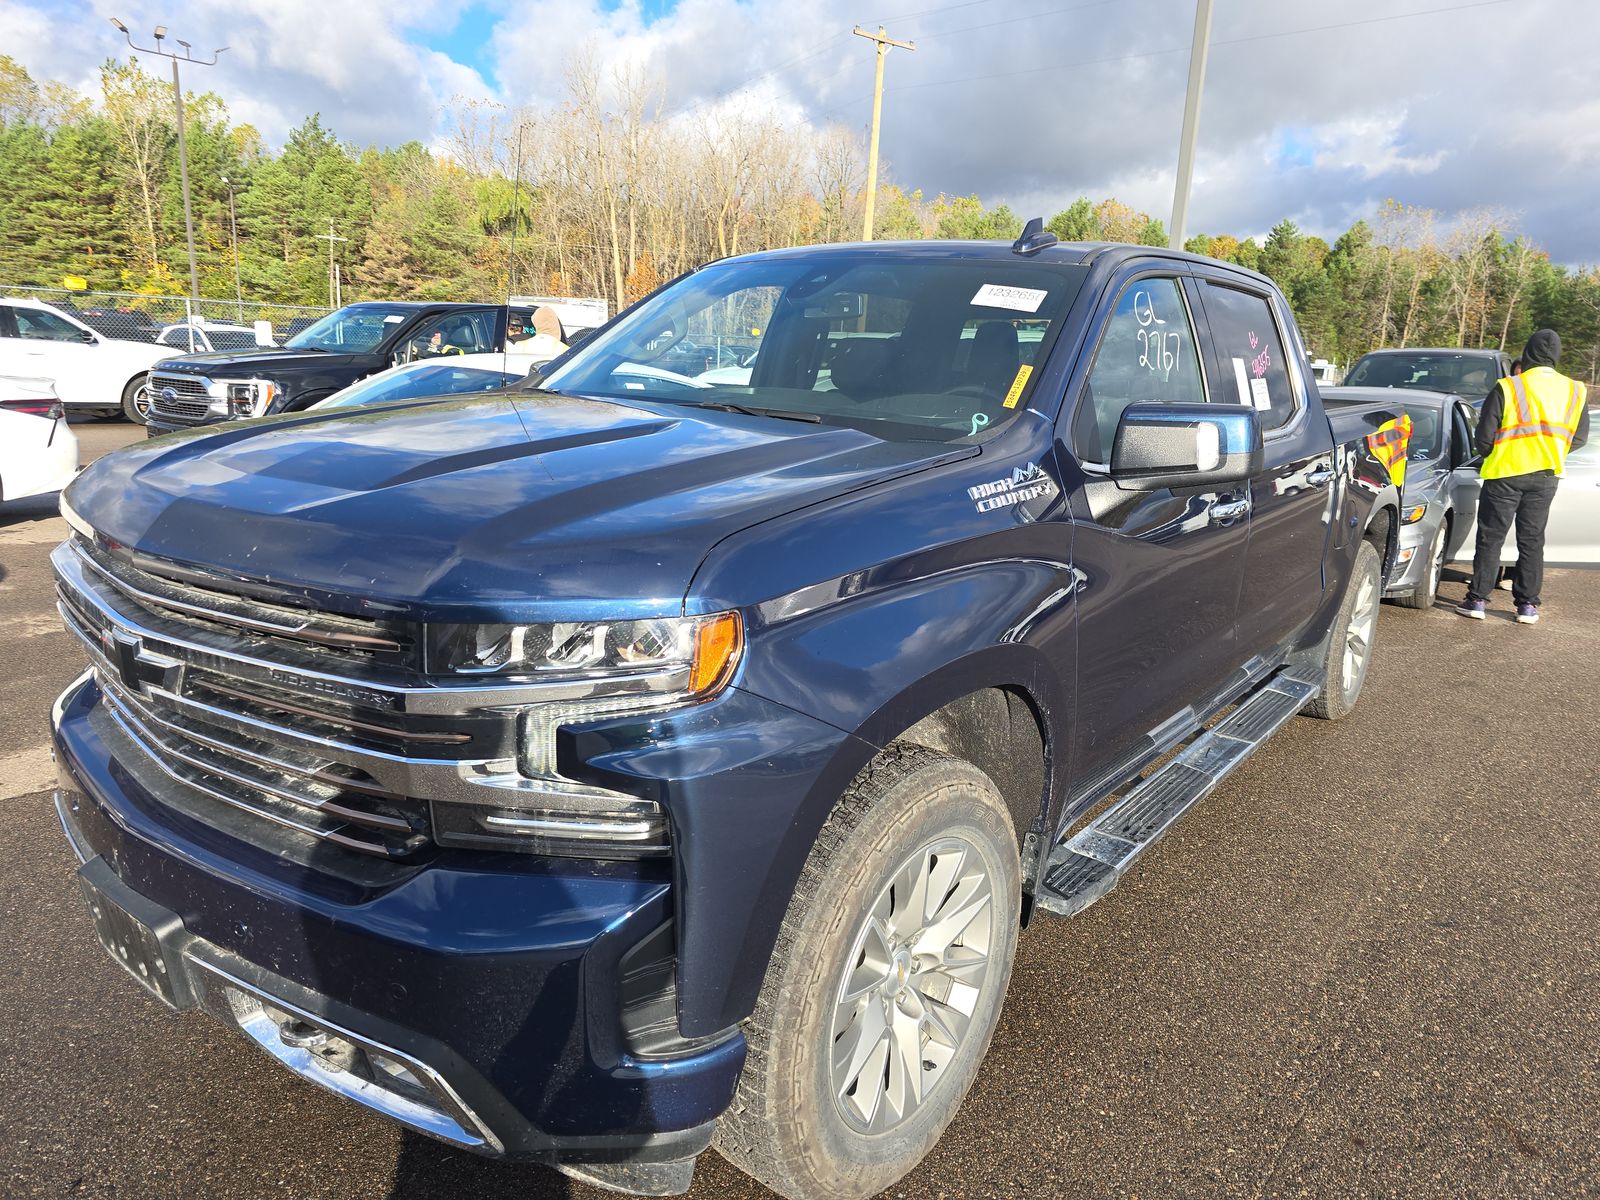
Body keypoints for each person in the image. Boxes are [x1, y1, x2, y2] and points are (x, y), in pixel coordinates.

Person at [1457, 329, 1590, 624]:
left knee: (1491, 538)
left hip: (1505, 473)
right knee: (1532, 541)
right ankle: (1527, 606)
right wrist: (1551, 450)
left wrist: (1496, 453)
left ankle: (1477, 600)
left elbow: (1484, 437)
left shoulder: (1509, 386)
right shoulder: (1575, 390)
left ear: (1528, 353)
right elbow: (1579, 438)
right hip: (1546, 476)